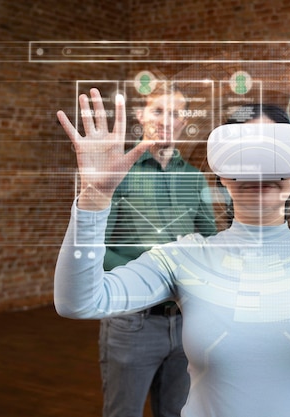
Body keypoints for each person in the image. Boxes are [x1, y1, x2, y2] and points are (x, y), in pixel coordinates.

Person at [54, 90, 290, 417]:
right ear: (221, 172)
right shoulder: (183, 257)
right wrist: (93, 200)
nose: (259, 167)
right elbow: (79, 302)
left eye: (272, 150)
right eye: (244, 151)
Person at [99, 83, 217, 417]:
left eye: (175, 112)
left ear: (184, 121)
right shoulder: (117, 173)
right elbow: (98, 249)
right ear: (139, 116)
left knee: (175, 413)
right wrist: (154, 276)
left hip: (184, 324)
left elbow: (210, 242)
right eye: (157, 110)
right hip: (131, 323)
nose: (166, 120)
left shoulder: (195, 179)